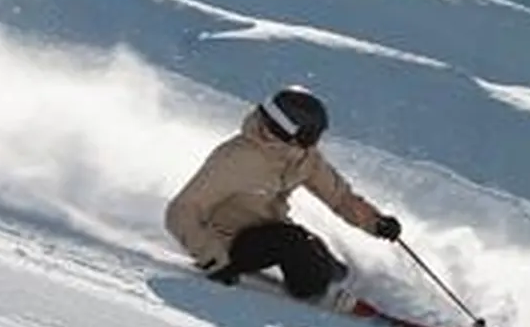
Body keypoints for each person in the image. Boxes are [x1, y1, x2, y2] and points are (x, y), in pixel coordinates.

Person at [165, 85, 404, 306]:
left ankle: (336, 282)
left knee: (321, 257)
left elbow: (339, 197)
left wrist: (376, 222)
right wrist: (213, 260)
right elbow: (181, 211)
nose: (313, 142)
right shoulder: (235, 158)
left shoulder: (302, 156)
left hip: (270, 231)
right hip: (226, 244)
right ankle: (316, 291)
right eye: (309, 134)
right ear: (286, 128)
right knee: (292, 244)